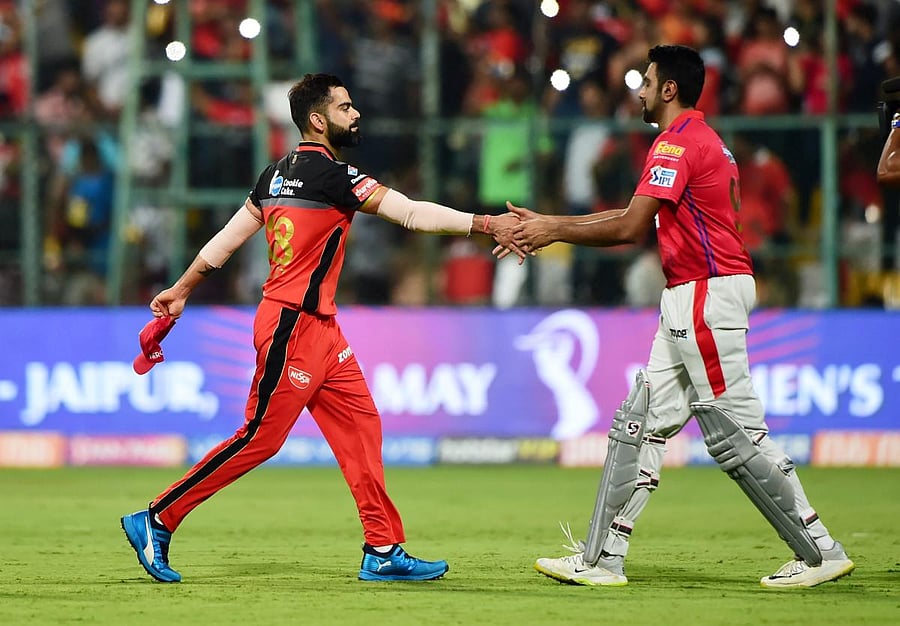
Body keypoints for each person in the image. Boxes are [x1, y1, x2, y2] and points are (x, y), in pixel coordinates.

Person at [121, 73, 519, 584]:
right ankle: (157, 517)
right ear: (319, 119)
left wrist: (181, 288)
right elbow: (414, 215)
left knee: (360, 426)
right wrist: (486, 224)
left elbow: (226, 239)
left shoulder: (274, 175)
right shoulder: (337, 176)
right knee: (260, 438)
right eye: (346, 107)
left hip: (320, 329)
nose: (356, 115)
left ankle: (382, 547)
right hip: (292, 326)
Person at [496, 45, 855, 589]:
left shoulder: (677, 142)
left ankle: (819, 551)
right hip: (691, 294)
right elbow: (630, 215)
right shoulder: (702, 140)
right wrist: (551, 222)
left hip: (704, 295)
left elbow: (628, 228)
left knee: (737, 432)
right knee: (641, 424)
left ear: (668, 89)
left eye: (646, 81)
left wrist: (552, 229)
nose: (638, 91)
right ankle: (602, 559)